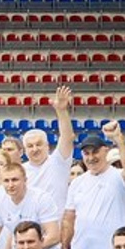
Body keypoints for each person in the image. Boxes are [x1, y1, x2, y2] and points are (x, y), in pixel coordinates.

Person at [22, 85, 76, 215]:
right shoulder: (20, 170)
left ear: (47, 146)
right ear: (24, 151)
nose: (35, 149)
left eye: (39, 144)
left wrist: (61, 111)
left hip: (57, 227)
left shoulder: (58, 162)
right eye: (30, 146)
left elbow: (67, 137)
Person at [0, 161, 59, 249]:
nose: (10, 185)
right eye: (6, 181)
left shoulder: (41, 199)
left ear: (25, 180)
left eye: (15, 180)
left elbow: (54, 236)